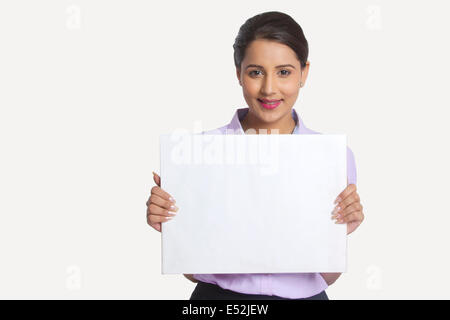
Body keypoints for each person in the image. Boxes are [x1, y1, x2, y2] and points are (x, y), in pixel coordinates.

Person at [146, 11, 364, 300]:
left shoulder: (332, 156)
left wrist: (340, 232)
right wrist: (173, 226)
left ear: (304, 73)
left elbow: (325, 277)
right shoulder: (198, 154)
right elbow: (192, 270)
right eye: (255, 72)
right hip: (219, 299)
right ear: (238, 73)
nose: (269, 88)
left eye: (284, 72)